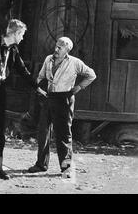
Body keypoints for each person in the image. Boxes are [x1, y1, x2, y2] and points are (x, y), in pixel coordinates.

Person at [0, 19, 45, 181]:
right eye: (22, 34)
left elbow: (23, 71)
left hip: (0, 91)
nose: (23, 38)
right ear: (15, 33)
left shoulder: (14, 50)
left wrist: (37, 87)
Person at [28, 37, 96, 178]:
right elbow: (40, 77)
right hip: (48, 98)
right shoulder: (48, 59)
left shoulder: (75, 62)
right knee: (43, 133)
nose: (56, 49)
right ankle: (41, 165)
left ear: (67, 50)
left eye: (60, 47)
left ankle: (66, 169)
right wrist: (39, 90)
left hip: (64, 99)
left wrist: (79, 87)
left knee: (64, 135)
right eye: (56, 46)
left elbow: (91, 75)